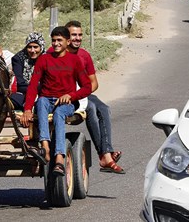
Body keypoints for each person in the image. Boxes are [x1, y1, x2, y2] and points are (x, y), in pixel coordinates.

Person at [20, 26, 92, 177]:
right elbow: (33, 85)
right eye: (53, 40)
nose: (56, 43)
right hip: (46, 99)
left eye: (60, 40)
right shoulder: (44, 59)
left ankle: (59, 157)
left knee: (59, 113)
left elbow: (87, 87)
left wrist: (71, 95)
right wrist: (27, 110)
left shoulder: (75, 60)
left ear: (67, 41)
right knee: (40, 103)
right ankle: (45, 146)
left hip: (66, 103)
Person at [65, 21, 125, 174]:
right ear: (66, 37)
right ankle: (104, 156)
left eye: (79, 35)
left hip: (82, 93)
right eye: (73, 35)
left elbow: (94, 83)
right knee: (91, 107)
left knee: (103, 108)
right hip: (64, 94)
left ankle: (107, 152)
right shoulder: (58, 52)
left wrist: (82, 94)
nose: (77, 38)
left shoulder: (84, 55)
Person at [10, 32, 45, 111]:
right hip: (24, 92)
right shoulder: (18, 59)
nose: (32, 50)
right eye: (29, 47)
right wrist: (32, 92)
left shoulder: (47, 58)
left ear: (41, 47)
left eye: (36, 47)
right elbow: (20, 82)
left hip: (43, 93)